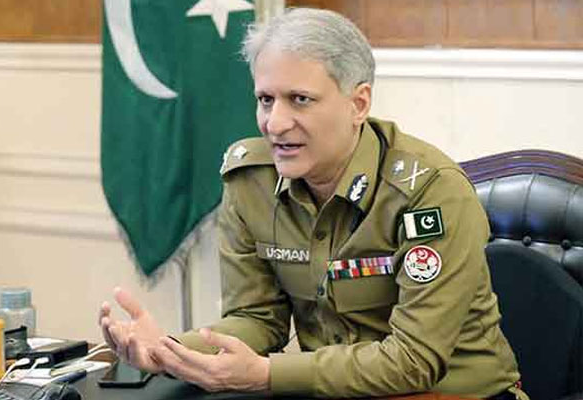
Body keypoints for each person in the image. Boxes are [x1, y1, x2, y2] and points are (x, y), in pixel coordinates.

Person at [99, 8, 526, 399]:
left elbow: (414, 362)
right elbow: (256, 319)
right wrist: (170, 351)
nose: (276, 123)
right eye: (266, 99)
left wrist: (267, 374)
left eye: (300, 99)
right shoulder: (252, 181)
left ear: (358, 103)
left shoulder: (429, 194)